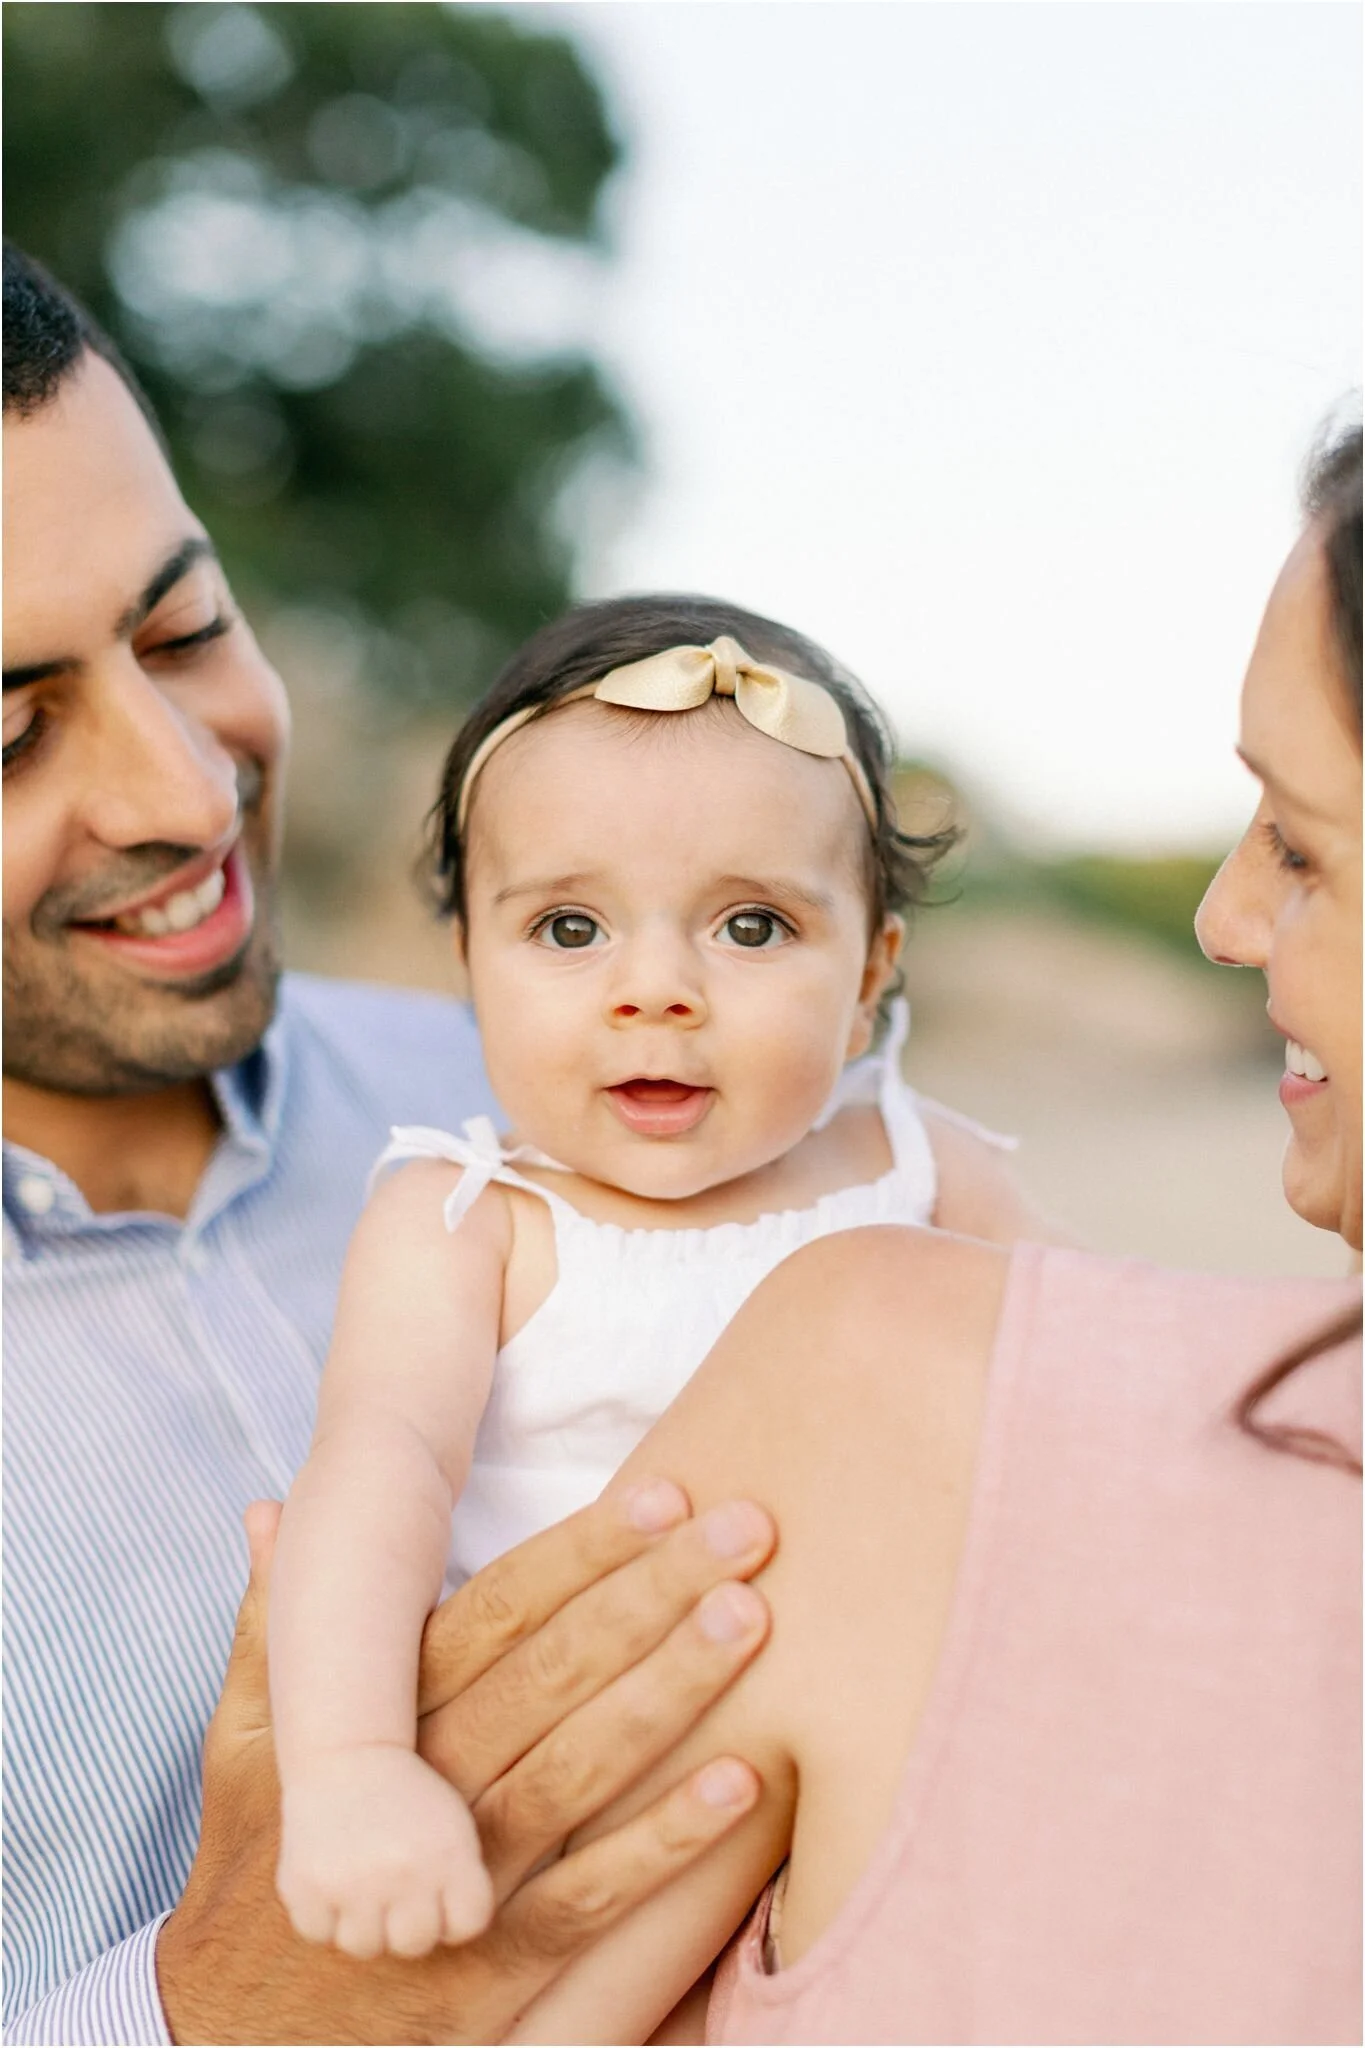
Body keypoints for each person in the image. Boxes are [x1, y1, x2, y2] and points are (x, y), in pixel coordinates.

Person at [2, 242, 783, 2047]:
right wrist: (208, 2014)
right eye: (16, 735)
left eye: (188, 633)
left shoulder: (531, 1107)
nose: (190, 793)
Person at [500, 427, 1363, 2045]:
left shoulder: (895, 1362)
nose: (1222, 919)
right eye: (568, 923)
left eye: (1300, 840)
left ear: (875, 960)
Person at [266, 602, 1053, 1963]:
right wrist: (348, 1768)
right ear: (469, 966)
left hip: (907, 1795)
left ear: (869, 971)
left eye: (750, 927)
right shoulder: (467, 1223)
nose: (657, 990)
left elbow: (1110, 1413)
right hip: (594, 1824)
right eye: (569, 929)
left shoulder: (934, 1171)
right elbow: (374, 1473)